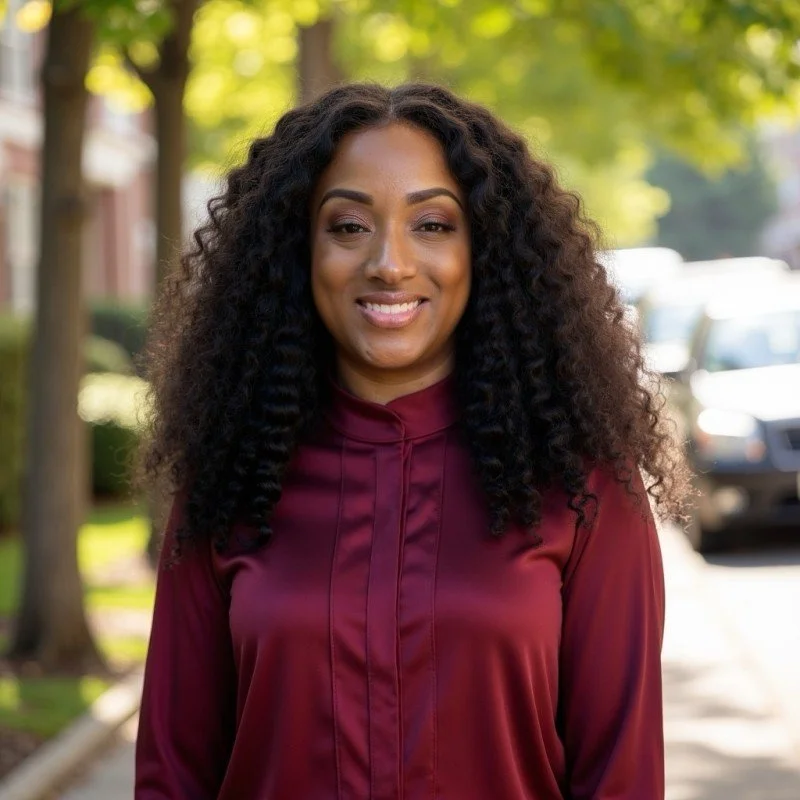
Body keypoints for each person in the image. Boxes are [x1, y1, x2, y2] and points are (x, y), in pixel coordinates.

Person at [134, 82, 688, 800]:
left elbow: (622, 773)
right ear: (294, 253)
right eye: (347, 226)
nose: (390, 263)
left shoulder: (580, 483)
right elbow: (173, 773)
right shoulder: (231, 478)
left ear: (483, 249)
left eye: (432, 224)